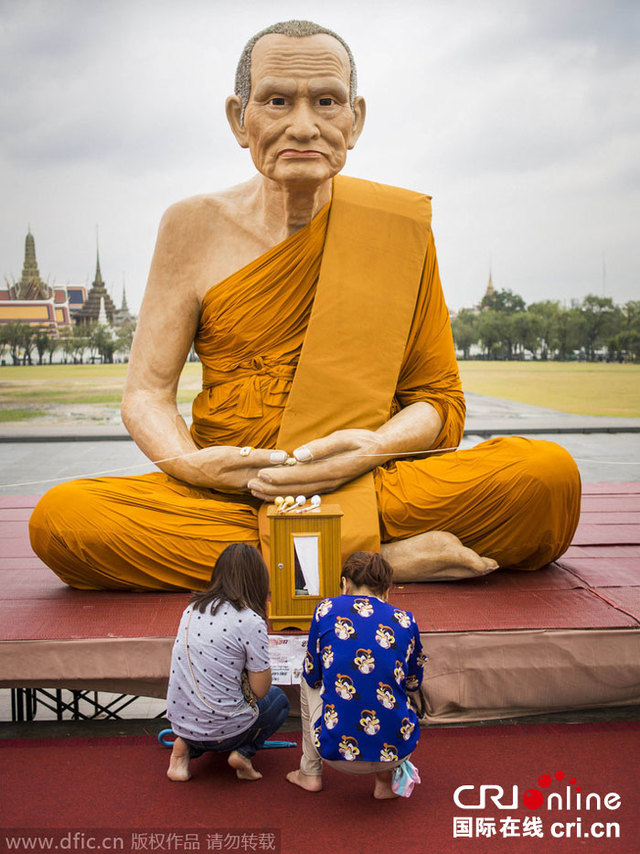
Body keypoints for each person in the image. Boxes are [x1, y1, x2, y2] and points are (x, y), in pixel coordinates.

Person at [29, 19, 581, 591]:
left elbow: (438, 402)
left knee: (547, 478)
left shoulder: (394, 229)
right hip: (237, 493)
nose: (303, 125)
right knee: (63, 522)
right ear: (239, 119)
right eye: (276, 100)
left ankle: (285, 568)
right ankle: (379, 564)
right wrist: (191, 465)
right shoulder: (190, 227)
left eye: (325, 101)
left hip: (372, 481)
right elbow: (146, 395)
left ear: (355, 118)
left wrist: (373, 446)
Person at [287, 552, 425, 799]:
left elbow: (312, 674)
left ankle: (309, 771)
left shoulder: (326, 609)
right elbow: (414, 682)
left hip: (334, 751)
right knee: (393, 691)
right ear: (386, 590)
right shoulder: (406, 620)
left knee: (307, 681)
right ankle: (385, 782)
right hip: (395, 750)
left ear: (345, 583)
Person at [165, 543, 289, 782]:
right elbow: (260, 690)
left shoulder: (191, 609)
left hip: (181, 724)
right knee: (278, 701)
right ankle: (243, 752)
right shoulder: (250, 620)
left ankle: (184, 749)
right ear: (258, 579)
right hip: (225, 731)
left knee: (204, 713)